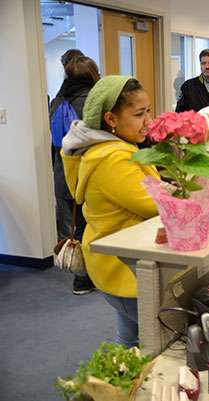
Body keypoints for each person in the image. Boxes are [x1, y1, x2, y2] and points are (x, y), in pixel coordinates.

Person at [61, 76, 161, 348]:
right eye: (139, 114)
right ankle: (131, 390)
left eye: (149, 110)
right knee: (151, 342)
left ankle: (121, 388)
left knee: (129, 338)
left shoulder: (104, 148)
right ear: (111, 119)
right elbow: (155, 204)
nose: (148, 121)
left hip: (114, 262)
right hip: (125, 266)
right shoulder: (114, 157)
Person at [49, 52, 100, 295]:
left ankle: (79, 276)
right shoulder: (94, 101)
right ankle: (88, 278)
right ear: (93, 74)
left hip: (61, 172)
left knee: (70, 228)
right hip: (87, 173)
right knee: (89, 227)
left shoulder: (57, 100)